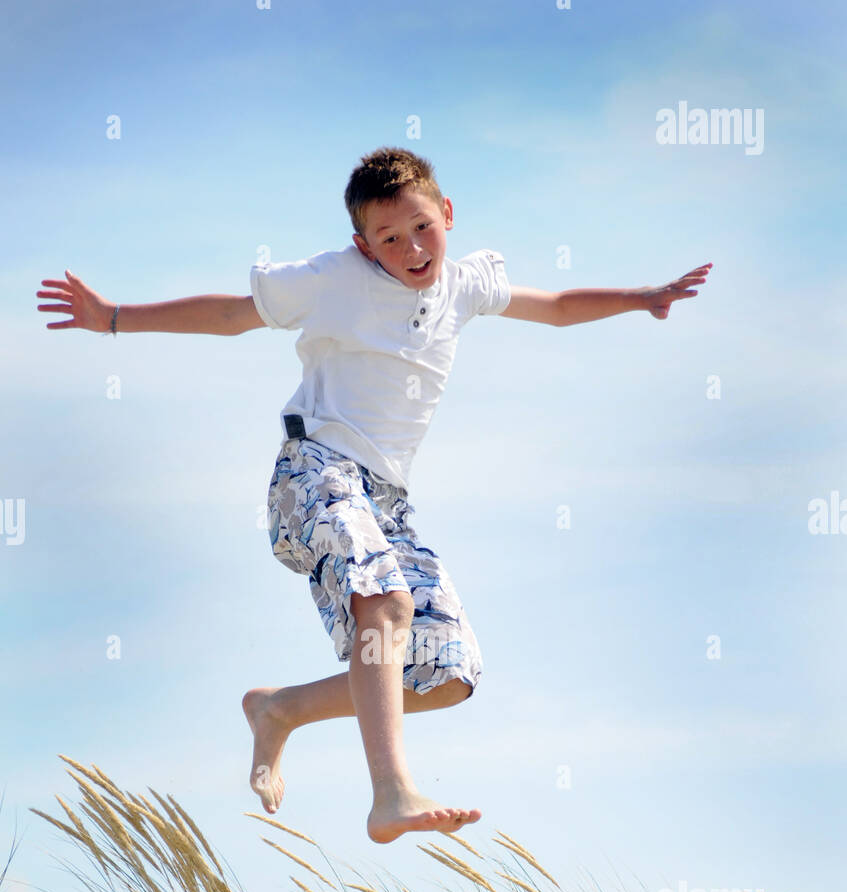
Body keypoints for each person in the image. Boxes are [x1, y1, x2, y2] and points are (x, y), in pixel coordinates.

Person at [38, 146, 711, 844]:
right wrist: (112, 315)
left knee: (444, 673)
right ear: (364, 244)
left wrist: (640, 299)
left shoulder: (468, 284)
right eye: (389, 239)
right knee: (384, 602)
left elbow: (558, 306)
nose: (411, 248)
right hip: (313, 471)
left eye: (422, 228)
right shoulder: (335, 278)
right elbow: (233, 316)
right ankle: (390, 795)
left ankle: (282, 709)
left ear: (445, 213)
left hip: (385, 501)